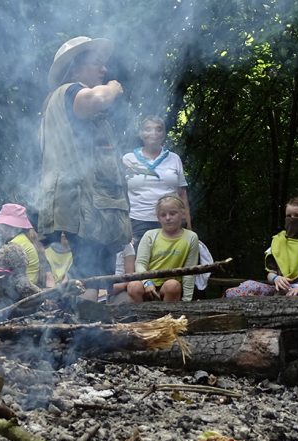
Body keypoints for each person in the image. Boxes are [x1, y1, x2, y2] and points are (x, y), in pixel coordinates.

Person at [39, 36, 131, 301]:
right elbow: (95, 100)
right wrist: (113, 88)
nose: (104, 70)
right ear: (76, 67)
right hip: (85, 205)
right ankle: (87, 330)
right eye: (97, 64)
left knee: (89, 275)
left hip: (77, 203)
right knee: (93, 276)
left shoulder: (52, 103)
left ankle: (79, 329)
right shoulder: (71, 91)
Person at [225, 196, 298, 297]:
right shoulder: (279, 241)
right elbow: (270, 274)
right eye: (289, 216)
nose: (292, 219)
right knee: (240, 289)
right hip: (282, 290)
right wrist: (276, 278)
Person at [122, 116, 191, 245]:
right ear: (140, 133)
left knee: (170, 263)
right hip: (137, 221)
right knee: (139, 263)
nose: (153, 133)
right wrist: (123, 226)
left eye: (158, 129)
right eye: (148, 129)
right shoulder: (128, 159)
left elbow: (182, 194)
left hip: (171, 220)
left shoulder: (174, 158)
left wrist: (189, 225)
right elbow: (119, 193)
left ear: (164, 134)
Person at [126, 195, 199, 302]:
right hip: (148, 285)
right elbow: (140, 263)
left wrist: (187, 300)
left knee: (172, 285)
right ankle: (141, 316)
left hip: (170, 287)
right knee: (133, 286)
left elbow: (190, 270)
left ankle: (167, 316)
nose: (168, 218)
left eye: (173, 213)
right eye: (163, 215)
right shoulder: (150, 235)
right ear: (158, 217)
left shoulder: (191, 237)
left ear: (182, 213)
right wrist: (147, 283)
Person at [0, 203, 44, 308]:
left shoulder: (16, 244)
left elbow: (4, 276)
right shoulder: (23, 238)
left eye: (1, 225)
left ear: (11, 227)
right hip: (22, 287)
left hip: (18, 292)